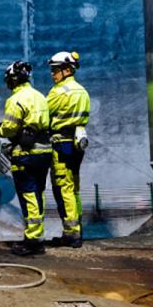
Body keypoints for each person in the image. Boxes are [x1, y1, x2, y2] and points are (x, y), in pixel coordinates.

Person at [0, 60, 54, 256]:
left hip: (26, 154)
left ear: (12, 80)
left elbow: (9, 128)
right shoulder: (40, 96)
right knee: (38, 194)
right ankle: (38, 234)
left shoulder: (15, 99)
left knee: (28, 194)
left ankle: (33, 240)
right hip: (45, 152)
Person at [45, 51, 91, 248]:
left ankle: (71, 233)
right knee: (74, 188)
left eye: (55, 70)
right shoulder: (82, 91)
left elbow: (42, 115)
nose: (52, 74)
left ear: (66, 70)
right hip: (77, 145)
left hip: (61, 144)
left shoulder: (58, 92)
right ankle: (76, 228)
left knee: (63, 188)